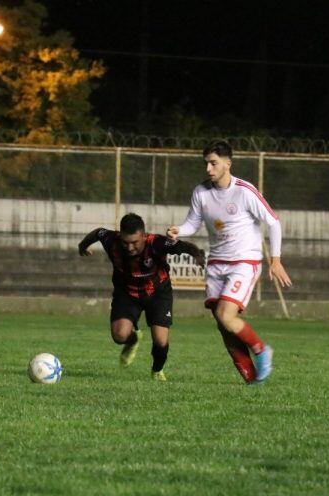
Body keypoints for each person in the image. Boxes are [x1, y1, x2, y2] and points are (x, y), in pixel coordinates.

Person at [167, 140, 292, 385]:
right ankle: (250, 377)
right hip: (216, 264)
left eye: (213, 163)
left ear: (228, 163)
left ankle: (261, 350)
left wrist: (275, 261)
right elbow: (193, 223)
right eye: (206, 164)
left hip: (243, 262)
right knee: (223, 325)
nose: (208, 169)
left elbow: (273, 221)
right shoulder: (201, 192)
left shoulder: (244, 191)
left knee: (226, 314)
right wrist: (179, 230)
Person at [79, 212, 205, 381]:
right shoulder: (111, 240)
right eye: (125, 242)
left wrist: (196, 254)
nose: (130, 247)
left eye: (134, 243)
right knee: (119, 336)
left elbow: (181, 246)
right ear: (120, 235)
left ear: (144, 236)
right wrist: (82, 245)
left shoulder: (156, 243)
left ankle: (157, 370)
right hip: (126, 293)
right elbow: (98, 232)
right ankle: (133, 340)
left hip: (158, 293)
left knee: (160, 341)